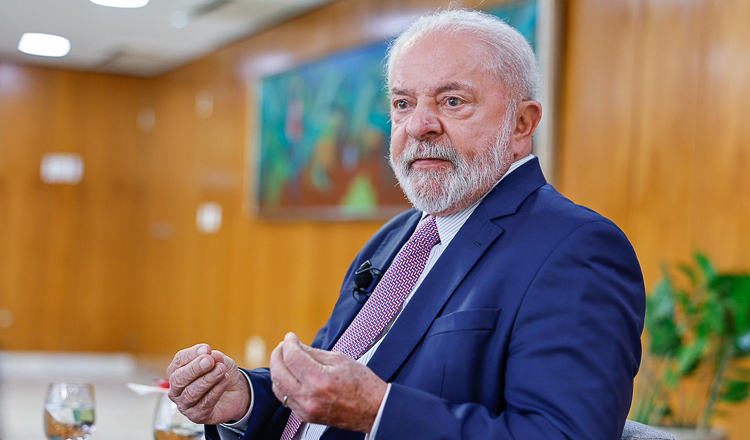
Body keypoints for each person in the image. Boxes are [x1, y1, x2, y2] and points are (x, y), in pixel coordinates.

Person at [166, 8, 645, 440]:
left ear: (522, 124)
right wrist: (246, 399)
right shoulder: (397, 237)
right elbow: (329, 386)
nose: (419, 125)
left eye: (452, 101)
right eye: (403, 104)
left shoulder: (577, 248)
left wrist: (379, 412)